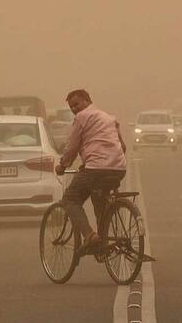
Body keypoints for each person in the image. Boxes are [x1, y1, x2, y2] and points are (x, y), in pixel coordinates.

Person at [55, 89, 127, 252]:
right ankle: (102, 244)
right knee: (99, 200)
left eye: (76, 104)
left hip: (96, 170)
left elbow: (72, 148)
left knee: (70, 199)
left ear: (87, 101)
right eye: (71, 106)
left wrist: (63, 165)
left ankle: (89, 236)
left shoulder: (82, 117)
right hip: (118, 169)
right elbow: (122, 146)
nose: (74, 108)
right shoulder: (110, 118)